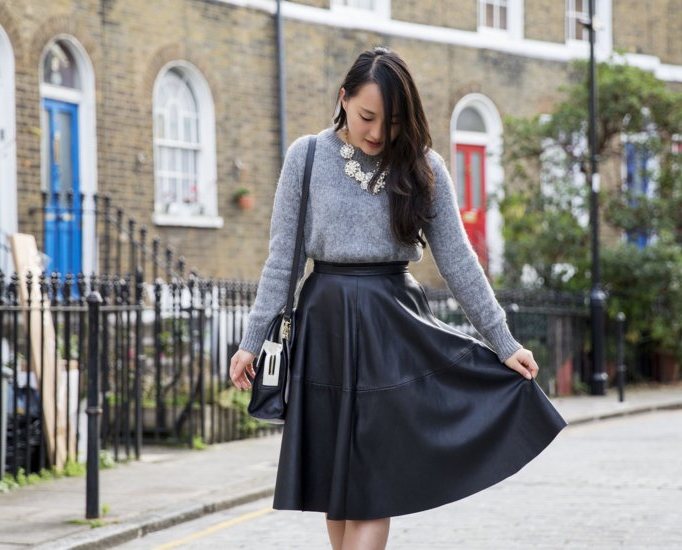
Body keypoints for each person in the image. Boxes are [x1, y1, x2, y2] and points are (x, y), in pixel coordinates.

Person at [230, 47, 566, 550]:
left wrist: (504, 342)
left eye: (390, 123)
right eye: (367, 117)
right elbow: (282, 262)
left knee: (371, 483)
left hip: (391, 330)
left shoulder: (422, 167)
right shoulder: (306, 157)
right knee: (338, 488)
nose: (377, 133)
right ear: (343, 99)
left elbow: (458, 262)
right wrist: (250, 342)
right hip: (326, 328)